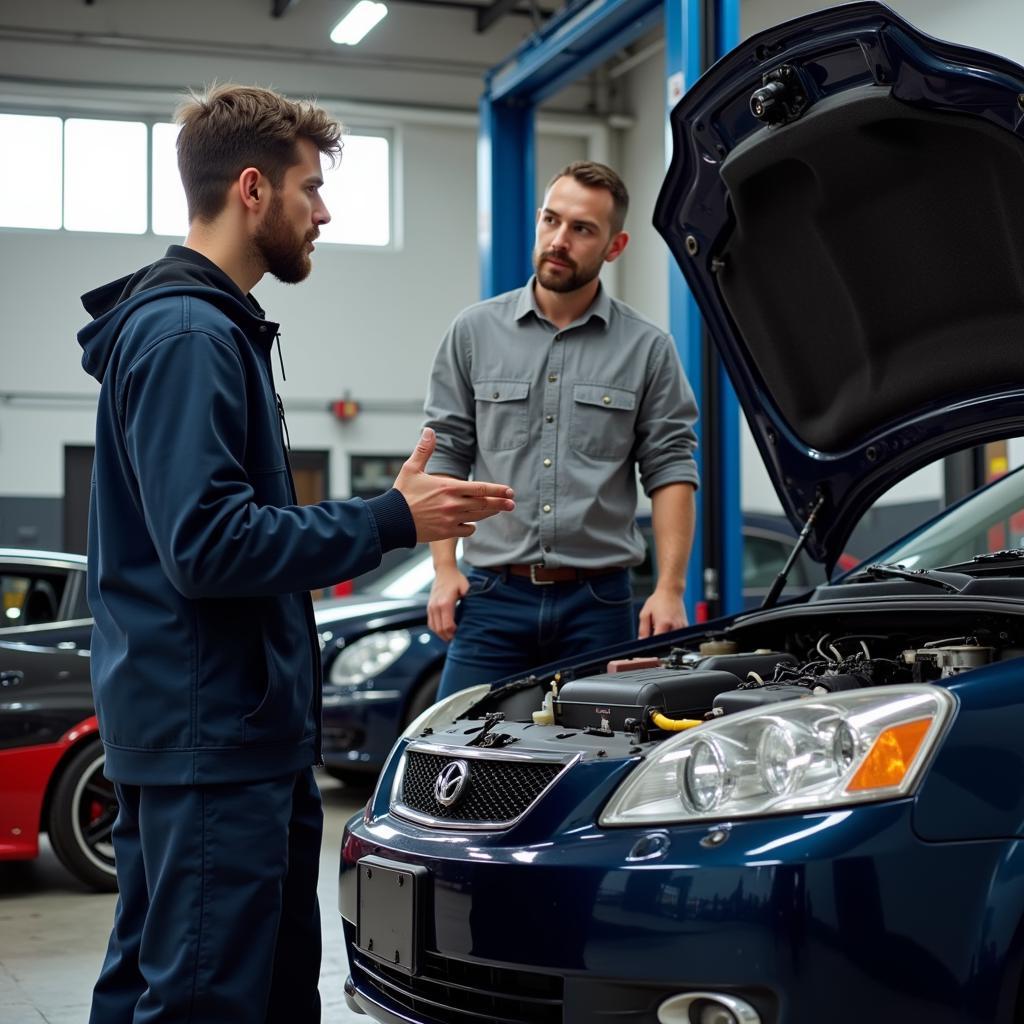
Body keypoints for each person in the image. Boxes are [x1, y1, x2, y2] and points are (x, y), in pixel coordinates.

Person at [77, 84, 514, 1024]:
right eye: (309, 189)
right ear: (250, 189)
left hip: (218, 735)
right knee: (205, 1001)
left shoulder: (204, 326)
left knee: (171, 985)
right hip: (214, 742)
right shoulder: (190, 334)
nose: (323, 211)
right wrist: (391, 519)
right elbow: (207, 544)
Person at [425, 160, 699, 700]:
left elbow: (671, 469)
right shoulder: (474, 332)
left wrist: (670, 589)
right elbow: (445, 454)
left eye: (581, 229)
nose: (559, 240)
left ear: (614, 246)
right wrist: (442, 568)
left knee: (599, 757)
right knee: (456, 750)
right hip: (492, 597)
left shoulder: (647, 349)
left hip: (597, 606)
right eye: (551, 221)